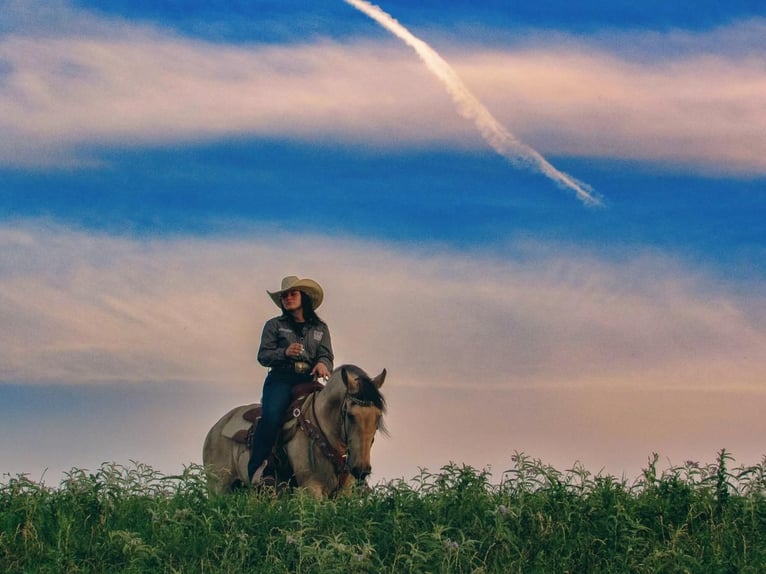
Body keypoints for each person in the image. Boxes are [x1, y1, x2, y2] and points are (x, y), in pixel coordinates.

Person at [247, 275, 334, 486]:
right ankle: (260, 469)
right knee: (272, 414)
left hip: (308, 379)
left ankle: (348, 472)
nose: (287, 298)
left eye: (292, 294)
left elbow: (326, 355)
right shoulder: (274, 325)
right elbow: (263, 355)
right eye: (284, 295)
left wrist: (323, 364)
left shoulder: (320, 329)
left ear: (303, 297)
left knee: (334, 413)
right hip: (281, 378)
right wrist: (284, 352)